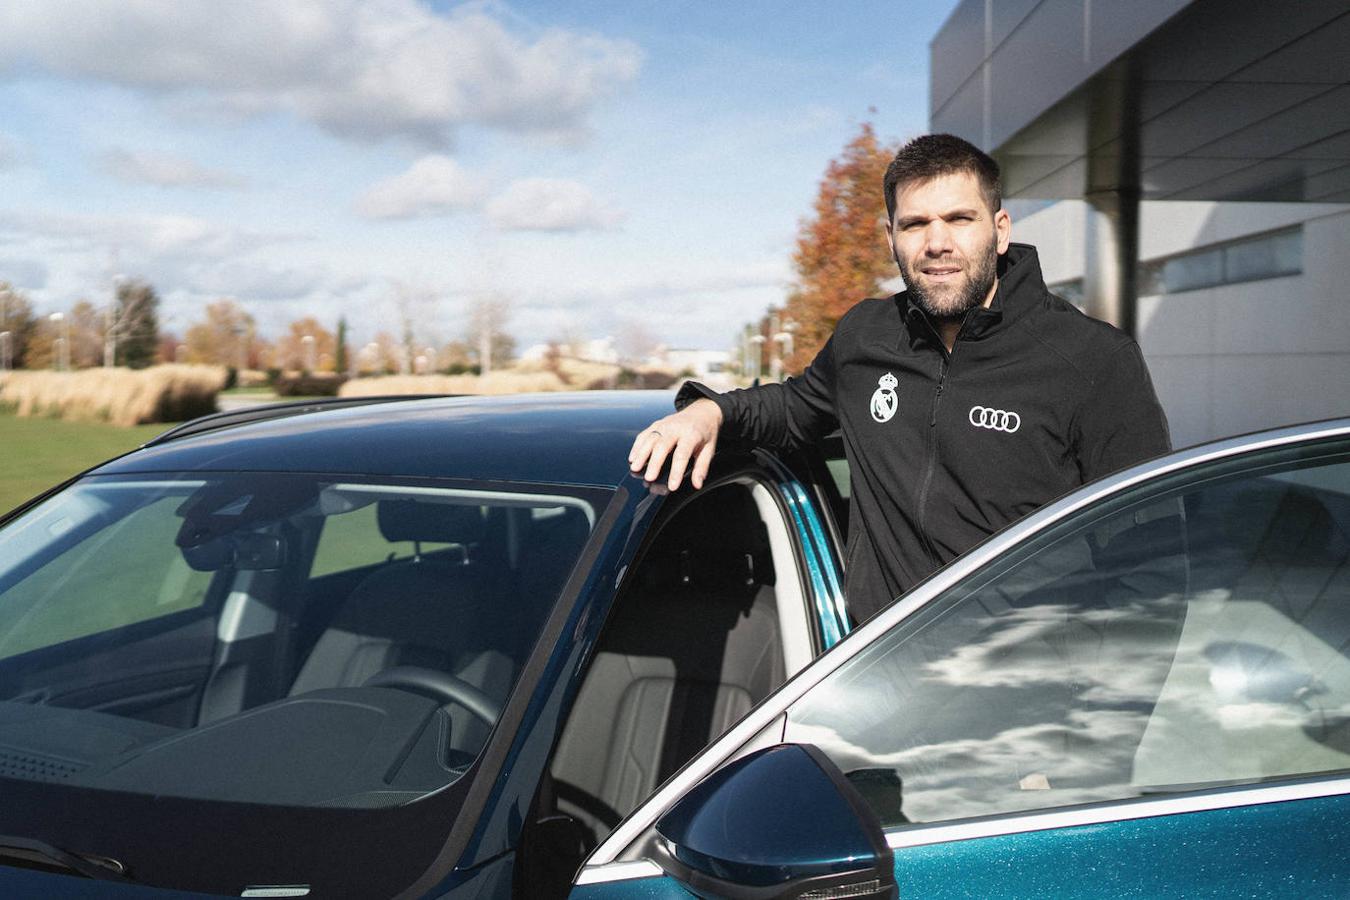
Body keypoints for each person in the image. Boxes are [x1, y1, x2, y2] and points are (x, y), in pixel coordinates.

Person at [629, 133, 1170, 623]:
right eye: (915, 224)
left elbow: (1152, 563)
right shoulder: (866, 336)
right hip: (880, 683)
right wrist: (709, 412)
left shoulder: (1094, 361)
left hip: (1022, 701)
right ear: (891, 236)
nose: (937, 243)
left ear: (999, 231)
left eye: (960, 219)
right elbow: (794, 409)